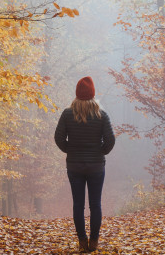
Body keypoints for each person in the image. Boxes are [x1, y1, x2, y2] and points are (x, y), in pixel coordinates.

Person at [54, 76, 115, 253]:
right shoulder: (102, 115)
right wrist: (100, 152)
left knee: (78, 205)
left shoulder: (67, 114)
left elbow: (58, 138)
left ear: (77, 94)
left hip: (74, 166)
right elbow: (110, 140)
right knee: (95, 204)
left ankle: (82, 242)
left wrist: (70, 151)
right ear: (93, 94)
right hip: (96, 166)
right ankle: (94, 242)